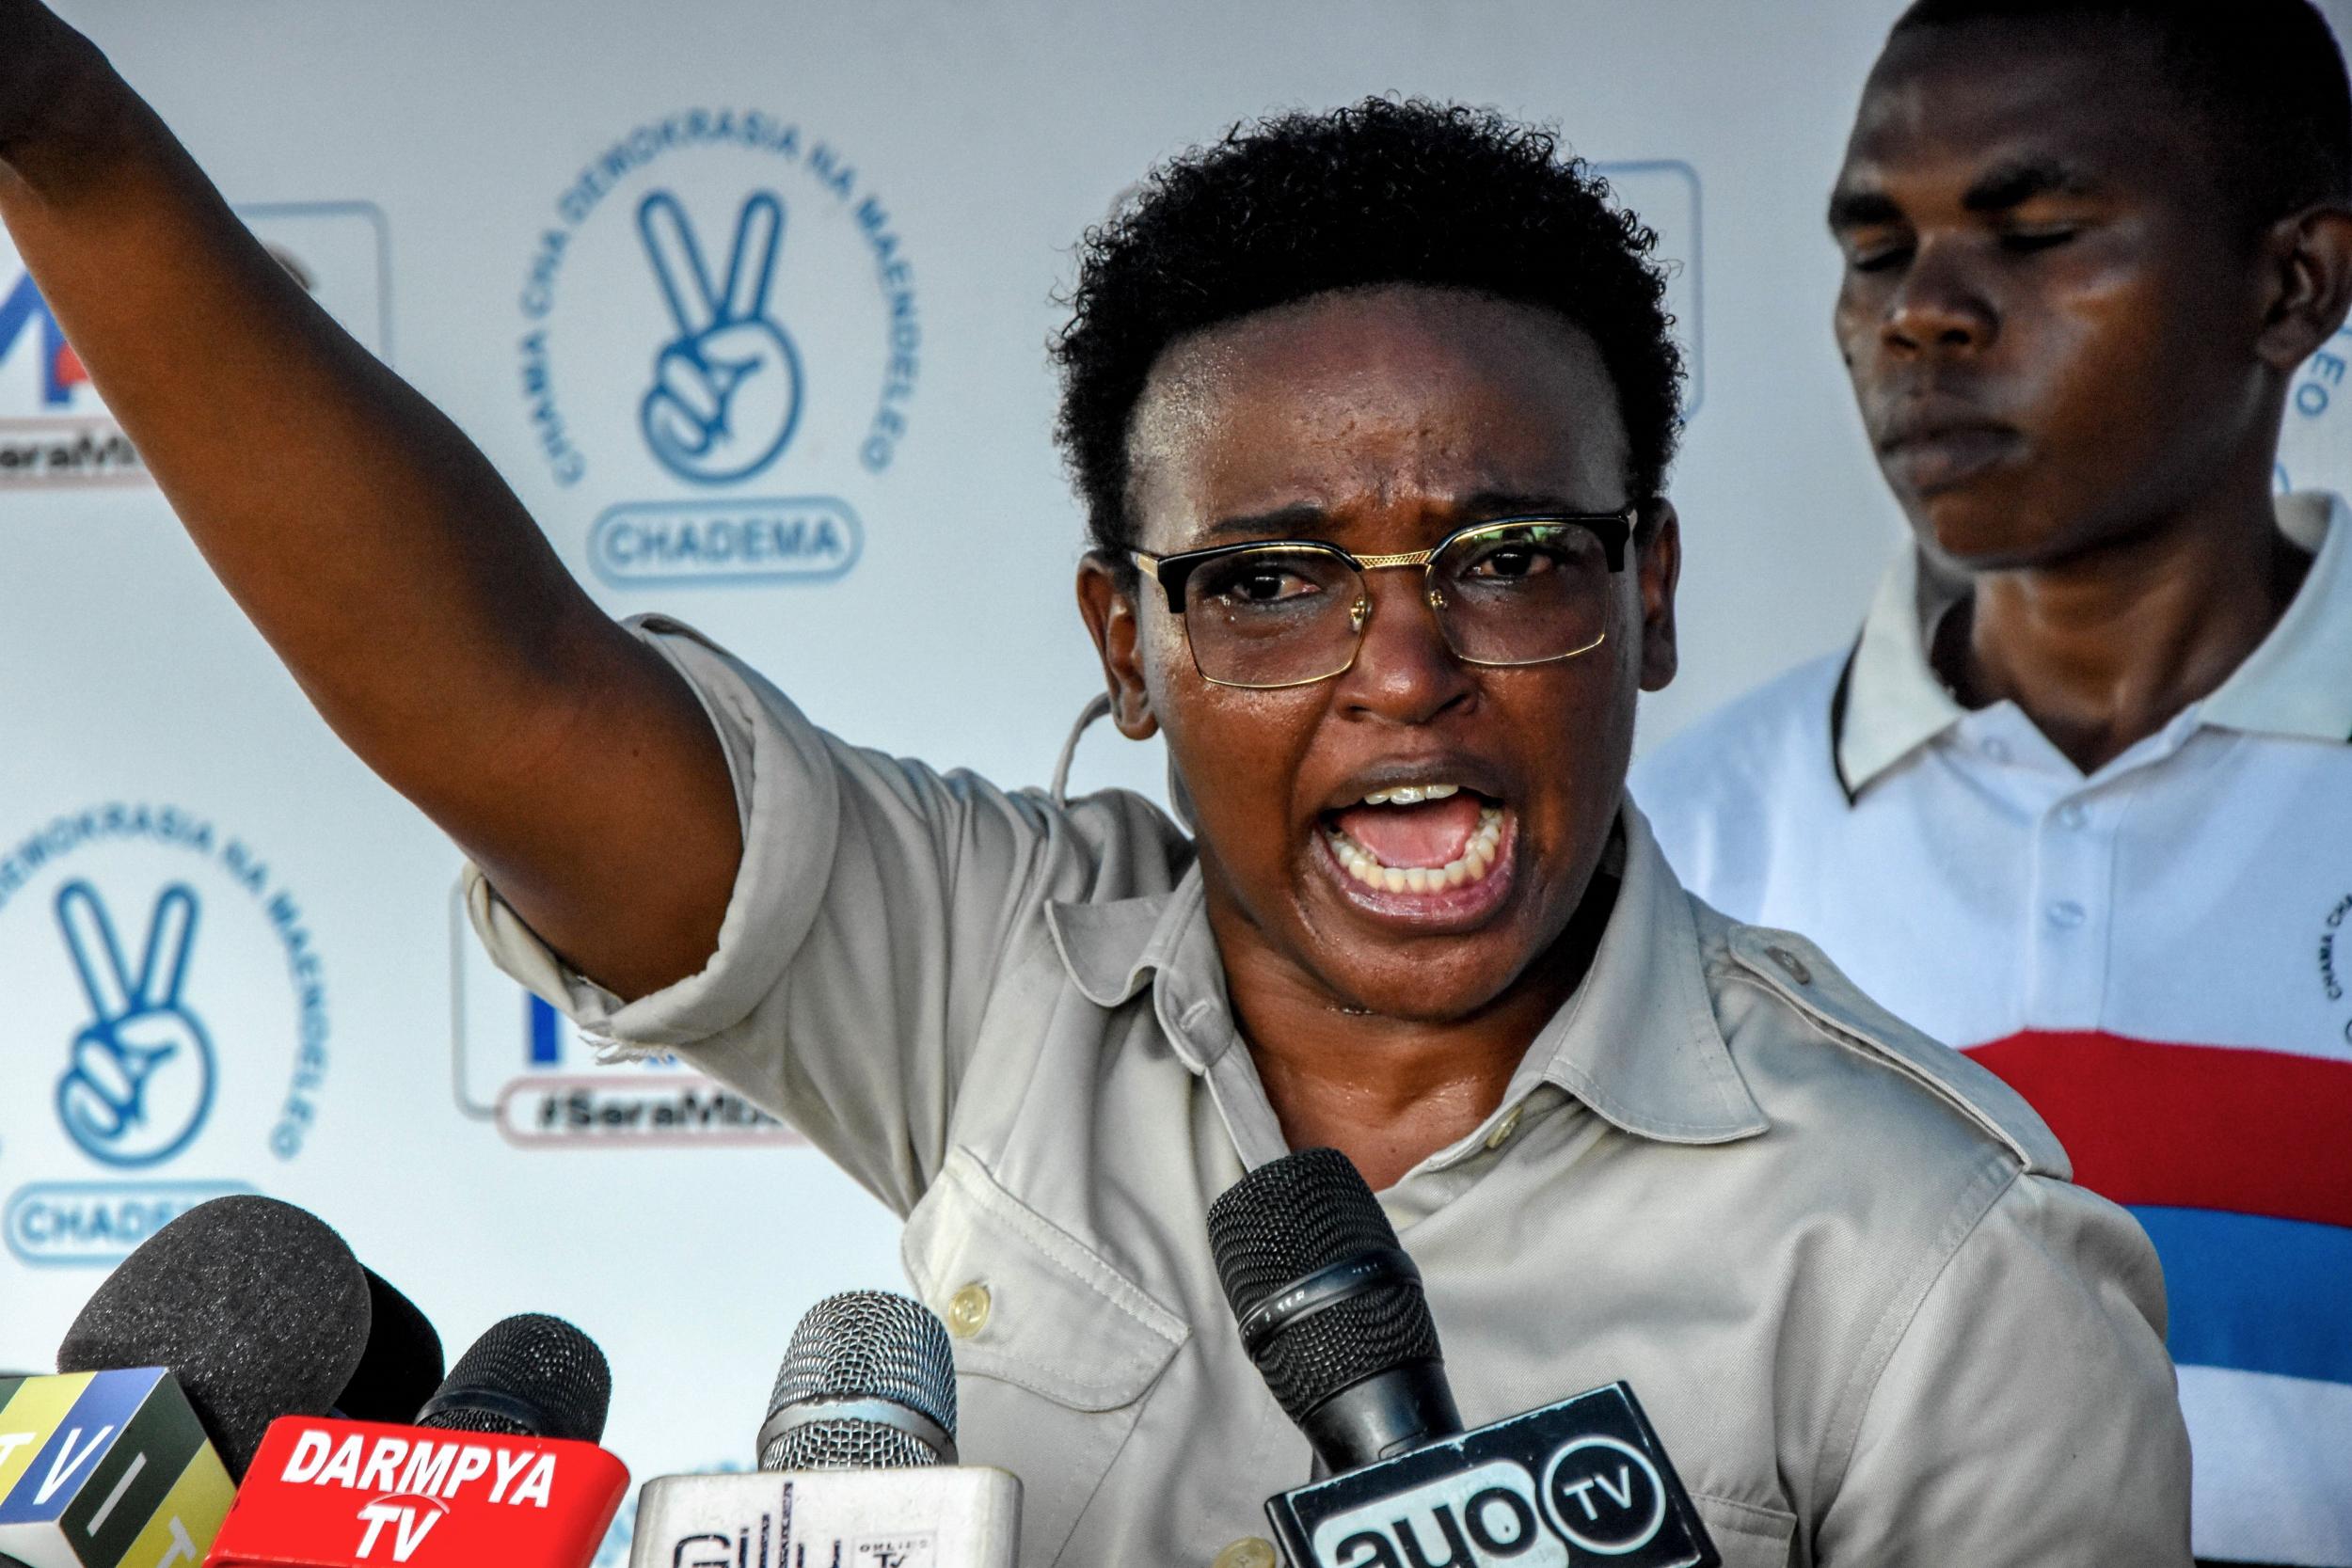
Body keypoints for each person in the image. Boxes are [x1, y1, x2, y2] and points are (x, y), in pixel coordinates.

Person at [0, 3, 2191, 1561]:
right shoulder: (996, 970)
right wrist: (67, 132)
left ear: (1654, 595)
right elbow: (497, 696)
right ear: (1124, 647)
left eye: (1509, 560)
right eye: (1263, 581)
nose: (1401, 669)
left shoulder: (1947, 1254)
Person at [1632, 3, 2352, 1565]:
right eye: (1877, 251)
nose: (1926, 315)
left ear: (2296, 284)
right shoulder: (1681, 850)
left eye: (2034, 234)